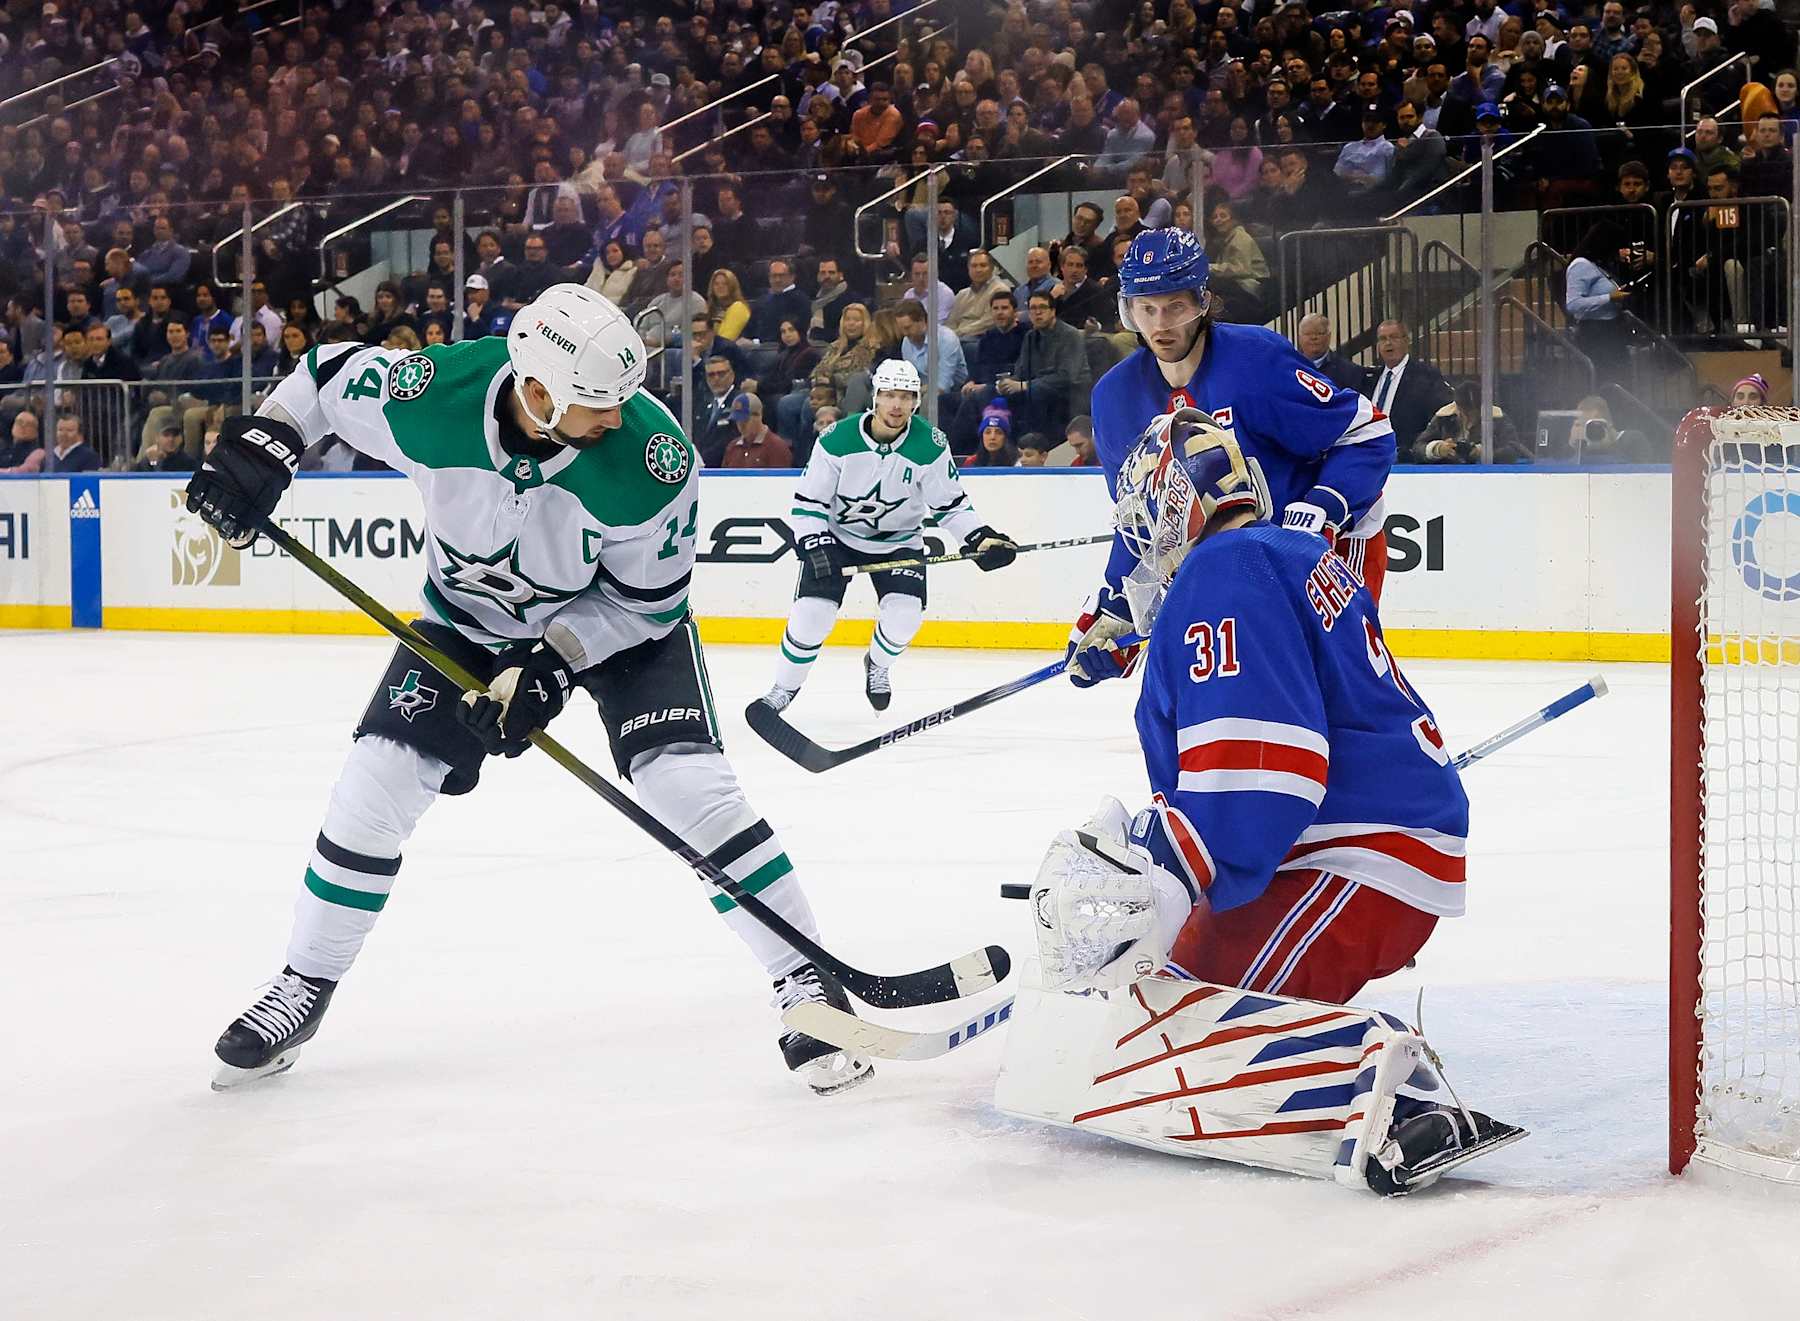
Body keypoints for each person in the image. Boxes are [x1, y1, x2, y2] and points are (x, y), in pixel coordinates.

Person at [182, 284, 874, 1096]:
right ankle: (304, 983)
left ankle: (806, 977)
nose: (617, 418)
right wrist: (269, 437)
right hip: (467, 625)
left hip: (617, 626)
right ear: (537, 392)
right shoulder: (430, 397)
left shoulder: (654, 461)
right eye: (597, 405)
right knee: (373, 786)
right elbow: (327, 375)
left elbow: (646, 604)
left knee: (686, 785)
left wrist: (553, 662)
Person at [1001, 365, 1518, 1199]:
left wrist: (1165, 865)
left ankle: (1386, 1084)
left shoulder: (1225, 574)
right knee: (1160, 992)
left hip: (1355, 853)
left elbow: (1265, 772)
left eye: (1142, 520)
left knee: (1164, 1034)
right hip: (1345, 838)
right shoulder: (1268, 552)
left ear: (1175, 508)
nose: (1135, 541)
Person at [1068, 229, 1395, 691]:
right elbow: (1144, 522)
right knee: (1242, 692)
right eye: (1146, 308)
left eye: (1175, 306)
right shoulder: (1114, 398)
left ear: (1203, 302)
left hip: (1326, 545)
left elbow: (1366, 432)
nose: (1160, 324)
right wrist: (1117, 607)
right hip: (1234, 556)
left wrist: (1325, 504)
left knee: (1329, 687)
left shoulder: (1255, 361)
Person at [759, 358, 1018, 714]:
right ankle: (783, 688)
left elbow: (952, 506)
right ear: (876, 398)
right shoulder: (837, 440)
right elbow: (809, 502)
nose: (897, 404)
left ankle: (877, 665)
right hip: (838, 540)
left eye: (906, 396)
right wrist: (815, 544)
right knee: (811, 615)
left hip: (899, 544)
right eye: (890, 395)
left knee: (905, 616)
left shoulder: (930, 444)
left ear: (916, 401)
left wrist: (980, 538)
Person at [1365, 320, 1453, 456]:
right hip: (1370, 457)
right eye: (1383, 339)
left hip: (1406, 459)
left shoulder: (1426, 376)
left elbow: (1440, 415)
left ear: (1406, 341)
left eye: (1394, 337)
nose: (1388, 343)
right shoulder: (1370, 378)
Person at [1294, 313, 1367, 392]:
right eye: (1308, 334)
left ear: (1329, 336)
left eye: (1319, 333)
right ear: (1299, 337)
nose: (1314, 337)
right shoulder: (1291, 368)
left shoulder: (1350, 372)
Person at [720, 392, 793, 468]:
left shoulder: (776, 447)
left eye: (745, 420)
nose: (741, 425)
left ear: (759, 416)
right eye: (737, 420)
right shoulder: (732, 448)